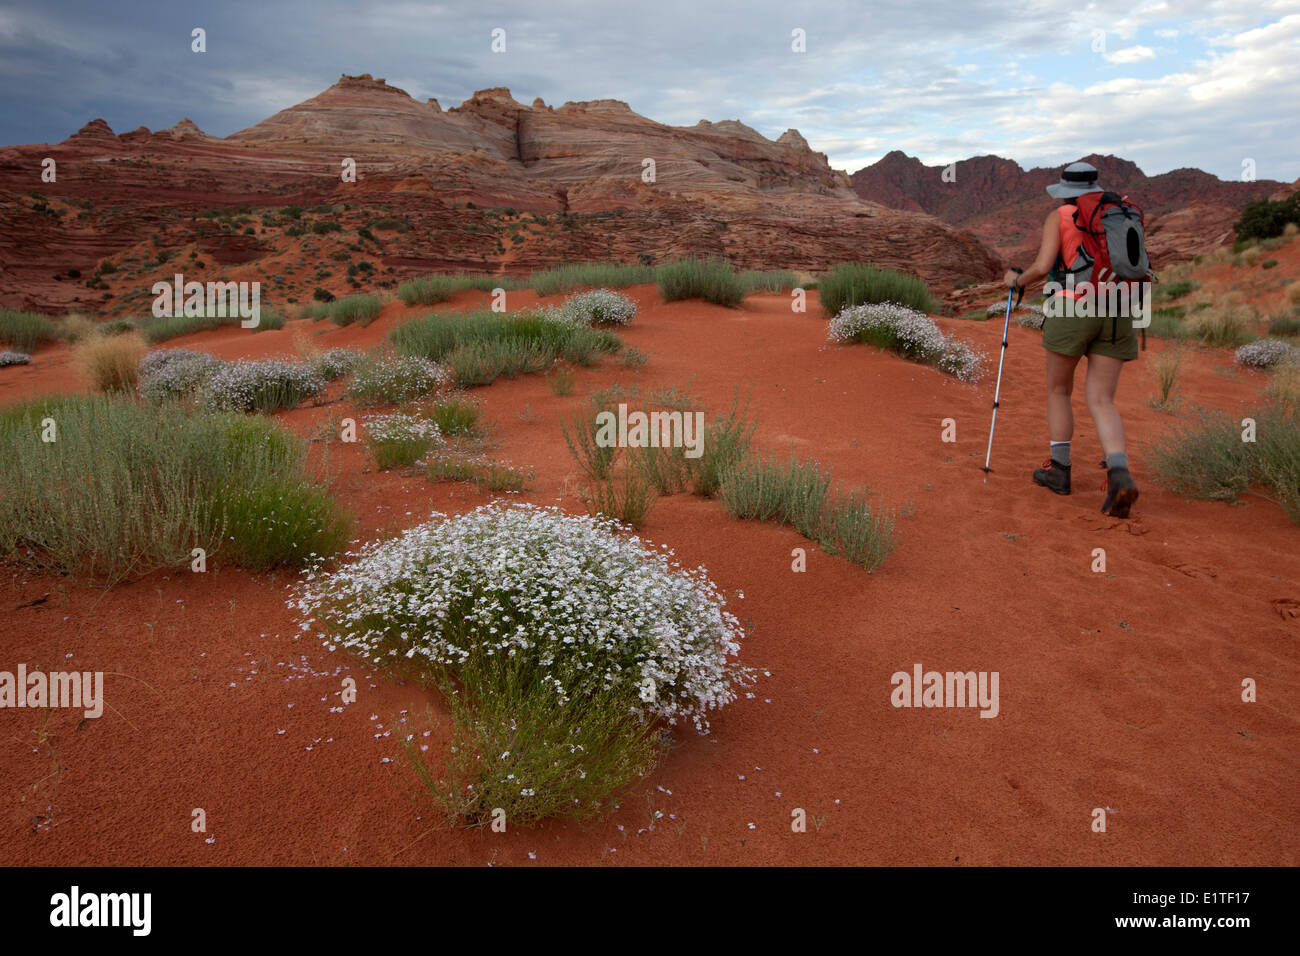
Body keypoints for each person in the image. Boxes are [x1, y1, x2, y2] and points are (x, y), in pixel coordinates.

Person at [1002, 160, 1140, 518]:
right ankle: (1119, 474)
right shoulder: (1119, 213)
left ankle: (1059, 472)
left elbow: (1044, 265)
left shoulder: (1061, 215)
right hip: (1121, 309)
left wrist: (1016, 281)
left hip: (1072, 308)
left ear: (1065, 188)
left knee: (1059, 391)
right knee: (1102, 399)